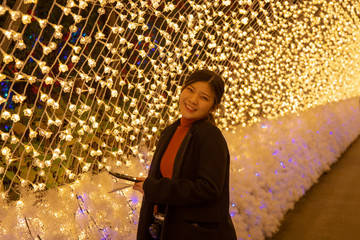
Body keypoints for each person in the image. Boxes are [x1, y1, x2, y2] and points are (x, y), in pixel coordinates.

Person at [133, 69, 237, 240]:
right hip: (167, 227)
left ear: (214, 107)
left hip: (195, 233)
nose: (193, 100)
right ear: (182, 89)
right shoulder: (171, 130)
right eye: (190, 90)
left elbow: (208, 189)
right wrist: (148, 186)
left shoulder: (210, 136)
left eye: (204, 97)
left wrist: (155, 188)